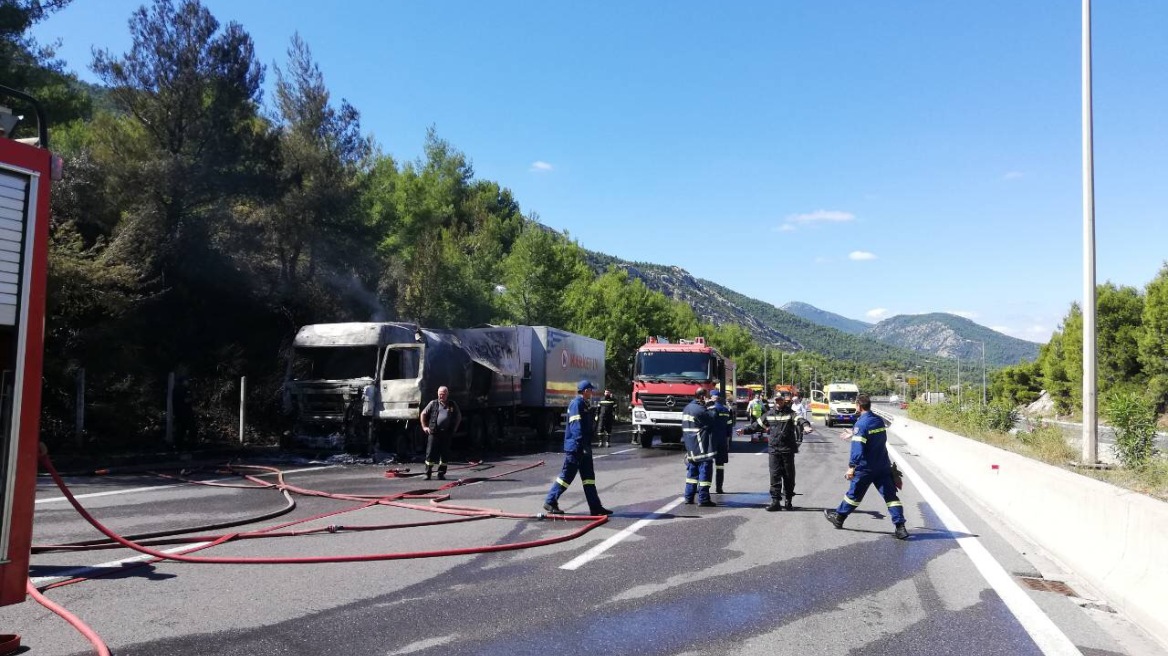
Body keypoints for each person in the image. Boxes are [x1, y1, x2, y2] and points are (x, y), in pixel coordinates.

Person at [824, 394, 909, 539]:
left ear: (858, 406)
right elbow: (873, 438)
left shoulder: (861, 424)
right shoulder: (878, 421)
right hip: (882, 466)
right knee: (891, 497)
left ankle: (839, 518)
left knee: (853, 496)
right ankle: (900, 527)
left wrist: (852, 467)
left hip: (865, 468)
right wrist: (854, 433)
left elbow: (858, 449)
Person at [543, 380, 612, 516]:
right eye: (590, 390)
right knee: (566, 477)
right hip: (576, 448)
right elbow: (576, 426)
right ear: (585, 391)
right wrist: (581, 444)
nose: (592, 392)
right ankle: (550, 501)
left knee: (589, 478)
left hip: (583, 447)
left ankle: (595, 507)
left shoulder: (585, 404)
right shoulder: (577, 403)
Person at [739, 394, 799, 511]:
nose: (778, 402)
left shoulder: (790, 413)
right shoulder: (769, 414)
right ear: (774, 402)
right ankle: (775, 501)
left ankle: (788, 500)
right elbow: (756, 426)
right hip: (774, 449)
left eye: (780, 400)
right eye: (776, 400)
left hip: (787, 449)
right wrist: (744, 430)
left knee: (788, 476)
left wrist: (806, 426)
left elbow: (799, 420)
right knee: (774, 475)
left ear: (784, 401)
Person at [681, 387, 717, 507]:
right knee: (705, 474)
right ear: (702, 397)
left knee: (692, 474)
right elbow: (712, 419)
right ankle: (703, 499)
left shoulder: (687, 408)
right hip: (702, 447)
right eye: (706, 396)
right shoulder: (699, 409)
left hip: (691, 446)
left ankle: (688, 497)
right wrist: (711, 405)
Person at [420, 386, 461, 480]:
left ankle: (441, 473)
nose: (441, 396)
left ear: (447, 394)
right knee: (430, 453)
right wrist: (424, 427)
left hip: (446, 433)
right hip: (434, 432)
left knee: (445, 453)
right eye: (440, 394)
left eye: (443, 394)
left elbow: (458, 416)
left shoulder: (452, 404)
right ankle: (427, 473)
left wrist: (455, 428)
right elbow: (423, 414)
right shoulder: (433, 403)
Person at [709, 388, 734, 494]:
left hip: (711, 440)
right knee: (720, 465)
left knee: (707, 464)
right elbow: (729, 428)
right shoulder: (726, 410)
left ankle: (704, 488)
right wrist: (727, 442)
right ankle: (719, 488)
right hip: (723, 440)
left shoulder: (710, 409)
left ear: (712, 397)